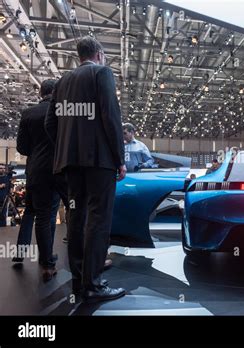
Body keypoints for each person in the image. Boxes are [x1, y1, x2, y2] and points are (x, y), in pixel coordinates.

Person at [45, 36, 126, 301]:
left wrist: (66, 146)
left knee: (76, 219)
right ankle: (93, 285)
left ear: (79, 56)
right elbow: (110, 116)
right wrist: (119, 158)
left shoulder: (62, 82)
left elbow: (50, 123)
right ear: (100, 54)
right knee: (99, 220)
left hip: (70, 164)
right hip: (99, 162)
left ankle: (79, 283)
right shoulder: (102, 73)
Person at [16, 79, 68, 281]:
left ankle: (47, 264)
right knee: (75, 212)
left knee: (43, 217)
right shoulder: (65, 111)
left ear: (40, 92)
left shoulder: (28, 114)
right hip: (63, 169)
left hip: (37, 171)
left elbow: (22, 148)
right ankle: (82, 261)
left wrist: (37, 153)